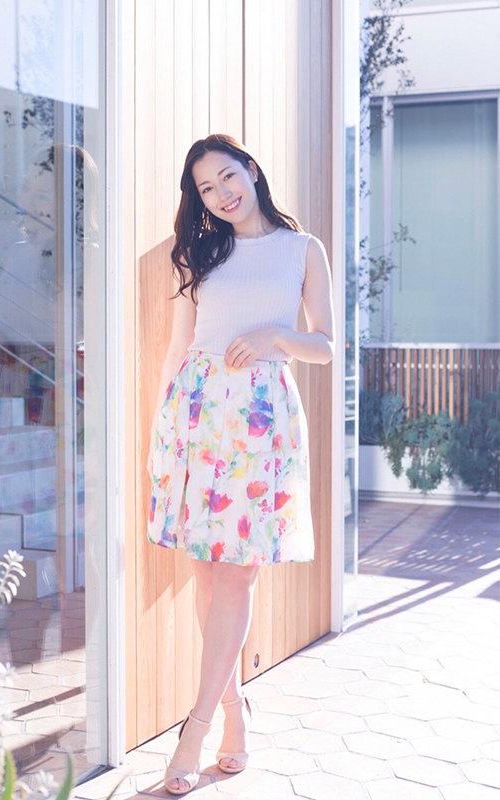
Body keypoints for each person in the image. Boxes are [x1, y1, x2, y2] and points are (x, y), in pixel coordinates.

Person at [145, 133, 335, 795]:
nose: (222, 194)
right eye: (206, 188)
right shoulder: (201, 254)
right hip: (196, 417)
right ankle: (234, 713)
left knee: (236, 578)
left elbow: (325, 346)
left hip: (259, 424)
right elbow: (179, 348)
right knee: (206, 577)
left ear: (251, 170)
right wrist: (159, 436)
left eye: (228, 176)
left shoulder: (303, 249)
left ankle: (193, 731)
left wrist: (276, 336)